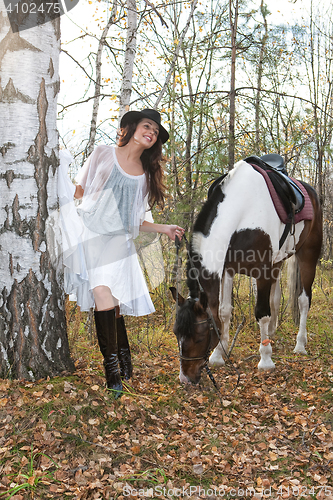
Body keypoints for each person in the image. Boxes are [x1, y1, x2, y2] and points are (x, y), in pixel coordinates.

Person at [60, 108, 184, 398]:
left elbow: (134, 220)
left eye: (155, 131)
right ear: (131, 127)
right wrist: (58, 177)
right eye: (147, 125)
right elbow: (81, 191)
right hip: (90, 234)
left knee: (105, 295)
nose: (151, 132)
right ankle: (120, 367)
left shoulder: (144, 175)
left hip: (118, 241)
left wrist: (164, 228)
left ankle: (115, 373)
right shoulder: (103, 153)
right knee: (107, 299)